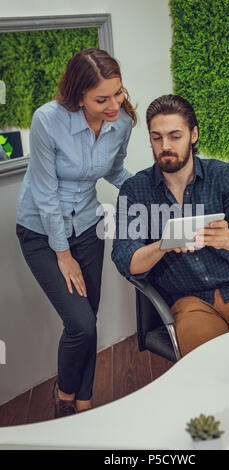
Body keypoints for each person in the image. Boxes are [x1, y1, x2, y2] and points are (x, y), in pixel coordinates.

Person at [16, 48, 136, 417]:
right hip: (41, 231)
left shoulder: (123, 122)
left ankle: (84, 400)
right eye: (102, 99)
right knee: (80, 323)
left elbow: (115, 171)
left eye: (118, 93)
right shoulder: (48, 120)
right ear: (77, 96)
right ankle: (64, 395)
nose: (114, 104)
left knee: (90, 316)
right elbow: (45, 193)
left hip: (87, 225)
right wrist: (62, 254)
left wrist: (151, 189)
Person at [111, 94, 229, 357]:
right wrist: (164, 245)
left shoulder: (222, 175)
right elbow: (126, 260)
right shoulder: (136, 190)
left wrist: (226, 238)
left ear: (193, 135)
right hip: (189, 303)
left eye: (175, 136)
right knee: (210, 367)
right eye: (157, 137)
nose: (165, 146)